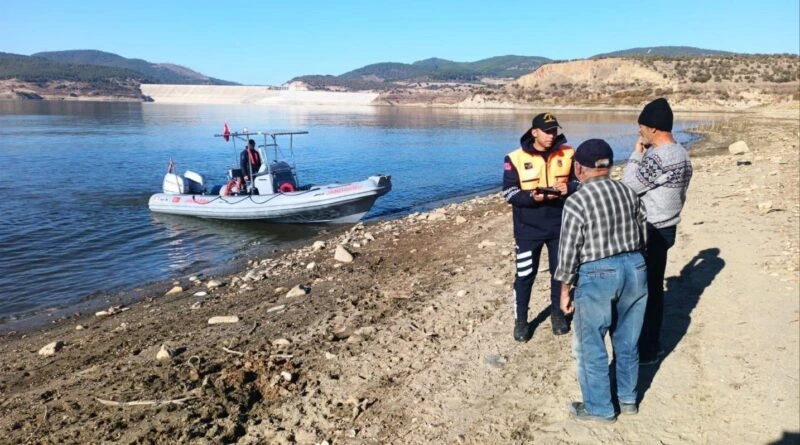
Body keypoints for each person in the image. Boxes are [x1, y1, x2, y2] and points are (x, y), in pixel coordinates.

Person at [555, 138, 648, 422]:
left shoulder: (577, 200)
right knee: (628, 342)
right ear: (608, 165)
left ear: (580, 170)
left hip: (597, 273)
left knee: (591, 345)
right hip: (635, 267)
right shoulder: (628, 192)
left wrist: (564, 289)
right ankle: (628, 399)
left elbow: (569, 248)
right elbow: (643, 232)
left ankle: (600, 408)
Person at [622, 98, 693, 365]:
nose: (639, 133)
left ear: (652, 128)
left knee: (646, 291)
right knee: (651, 287)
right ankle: (649, 345)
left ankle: (647, 349)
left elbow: (628, 186)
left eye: (641, 128)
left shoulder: (658, 157)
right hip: (668, 226)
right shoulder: (681, 153)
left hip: (651, 229)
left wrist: (636, 153)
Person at [503, 112, 578, 341]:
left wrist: (570, 188)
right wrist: (530, 198)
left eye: (554, 130)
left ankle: (558, 315)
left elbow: (583, 181)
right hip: (528, 230)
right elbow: (509, 192)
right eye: (546, 131)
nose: (551, 135)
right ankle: (521, 321)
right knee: (525, 275)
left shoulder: (569, 153)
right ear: (534, 132)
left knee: (560, 273)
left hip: (560, 227)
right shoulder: (513, 158)